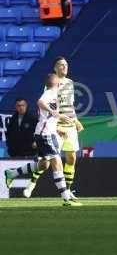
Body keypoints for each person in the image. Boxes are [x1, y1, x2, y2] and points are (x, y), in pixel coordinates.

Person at [4, 74, 82, 206]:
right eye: (60, 82)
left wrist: (58, 127)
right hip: (45, 135)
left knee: (43, 165)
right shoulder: (49, 93)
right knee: (57, 162)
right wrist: (55, 113)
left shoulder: (55, 95)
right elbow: (40, 102)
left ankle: (12, 173)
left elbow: (49, 117)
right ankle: (66, 198)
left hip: (44, 133)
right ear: (57, 83)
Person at [23, 56, 84, 199]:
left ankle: (68, 190)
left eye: (66, 64)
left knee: (71, 158)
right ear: (55, 68)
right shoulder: (51, 85)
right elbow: (48, 107)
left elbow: (69, 105)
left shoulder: (70, 83)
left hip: (69, 125)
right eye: (61, 65)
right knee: (46, 161)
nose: (64, 67)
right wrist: (55, 127)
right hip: (56, 126)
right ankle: (31, 184)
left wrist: (76, 120)